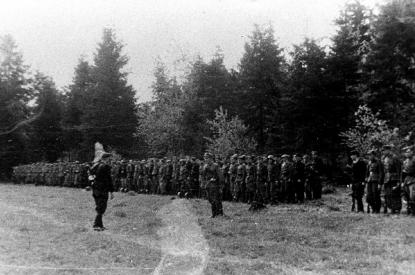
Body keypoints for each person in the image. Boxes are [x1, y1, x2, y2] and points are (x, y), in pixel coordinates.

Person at [90, 145, 114, 231]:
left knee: (99, 206)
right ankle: (96, 225)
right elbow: (109, 180)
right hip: (103, 189)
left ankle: (100, 225)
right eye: (109, 158)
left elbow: (90, 177)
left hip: (95, 189)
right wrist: (111, 191)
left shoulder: (94, 166)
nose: (110, 160)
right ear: (106, 159)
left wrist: (92, 184)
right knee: (102, 207)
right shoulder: (105, 167)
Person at [201, 152, 224, 218]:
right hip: (208, 185)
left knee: (216, 199)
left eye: (207, 158)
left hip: (215, 185)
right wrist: (203, 183)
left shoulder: (215, 165)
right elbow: (203, 176)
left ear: (211, 158)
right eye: (205, 158)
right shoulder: (205, 166)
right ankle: (216, 213)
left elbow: (221, 176)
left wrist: (220, 185)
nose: (205, 159)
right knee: (210, 199)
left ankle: (217, 213)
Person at [366, 149, 383, 213]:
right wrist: (366, 178)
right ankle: (373, 207)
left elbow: (381, 173)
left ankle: (377, 209)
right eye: (369, 155)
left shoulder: (378, 162)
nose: (369, 157)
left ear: (374, 155)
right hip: (370, 180)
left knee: (376, 195)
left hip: (376, 180)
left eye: (370, 155)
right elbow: (367, 172)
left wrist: (380, 183)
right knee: (369, 196)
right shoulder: (369, 162)